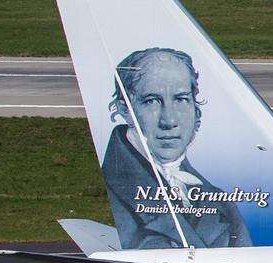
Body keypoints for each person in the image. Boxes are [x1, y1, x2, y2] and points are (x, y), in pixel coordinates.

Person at [100, 47, 252, 250]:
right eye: (151, 101)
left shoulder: (222, 204)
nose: (169, 120)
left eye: (181, 99)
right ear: (124, 109)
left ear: (196, 110)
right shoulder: (115, 191)